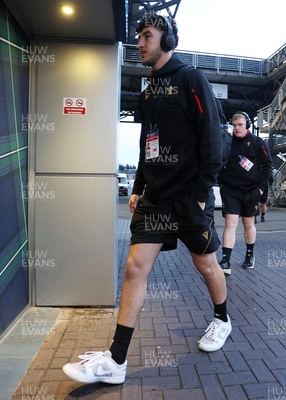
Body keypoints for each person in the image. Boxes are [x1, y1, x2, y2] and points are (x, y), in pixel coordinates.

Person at [62, 13, 231, 385]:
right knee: (135, 268)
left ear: (167, 40)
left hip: (188, 198)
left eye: (147, 36)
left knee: (206, 266)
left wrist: (202, 195)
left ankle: (222, 318)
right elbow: (147, 143)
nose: (139, 43)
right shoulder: (150, 87)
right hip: (156, 197)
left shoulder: (191, 79)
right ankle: (116, 361)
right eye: (138, 36)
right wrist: (139, 187)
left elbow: (213, 138)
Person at [218, 112, 271, 275]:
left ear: (247, 125)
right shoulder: (227, 141)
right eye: (234, 125)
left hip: (251, 192)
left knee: (248, 224)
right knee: (230, 224)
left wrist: (261, 189)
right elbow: (219, 161)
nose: (237, 128)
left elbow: (268, 165)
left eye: (240, 125)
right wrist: (221, 182)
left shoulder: (257, 142)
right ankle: (226, 261)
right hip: (231, 191)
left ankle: (249, 255)